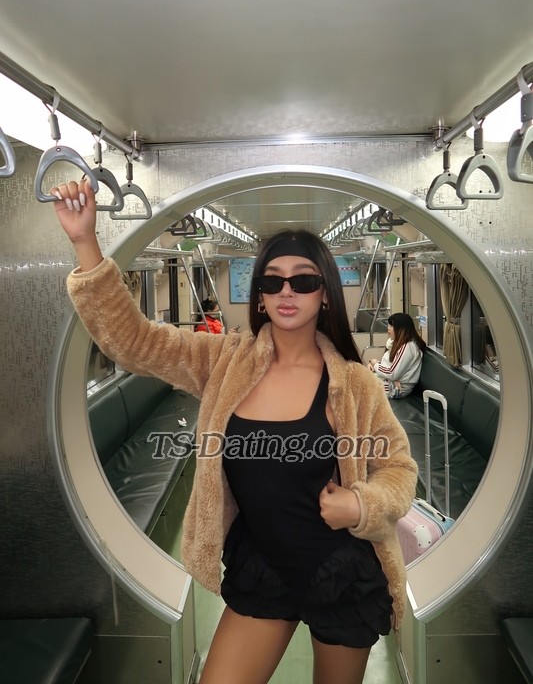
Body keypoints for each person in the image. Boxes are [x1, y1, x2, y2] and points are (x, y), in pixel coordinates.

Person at [51, 178, 417, 684]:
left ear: (326, 295)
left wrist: (362, 505)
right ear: (260, 296)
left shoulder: (355, 384)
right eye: (272, 281)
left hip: (340, 571)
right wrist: (84, 242)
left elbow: (398, 468)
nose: (286, 291)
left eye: (304, 281)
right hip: (263, 566)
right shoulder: (224, 362)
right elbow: (134, 342)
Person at [367, 313, 426, 399]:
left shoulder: (408, 347)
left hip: (397, 388)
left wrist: (376, 364)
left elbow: (392, 373)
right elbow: (391, 366)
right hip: (391, 382)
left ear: (401, 329)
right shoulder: (398, 343)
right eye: (389, 325)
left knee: (361, 386)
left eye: (392, 326)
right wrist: (373, 365)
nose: (388, 328)